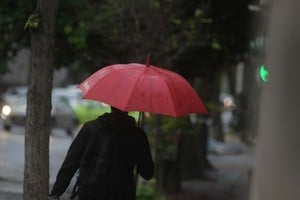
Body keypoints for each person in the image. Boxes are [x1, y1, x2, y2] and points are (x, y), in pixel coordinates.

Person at [49, 106, 154, 200]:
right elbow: (147, 173)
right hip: (123, 195)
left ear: (111, 105)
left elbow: (70, 164)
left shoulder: (91, 128)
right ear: (129, 110)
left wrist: (55, 193)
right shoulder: (137, 135)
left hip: (89, 194)